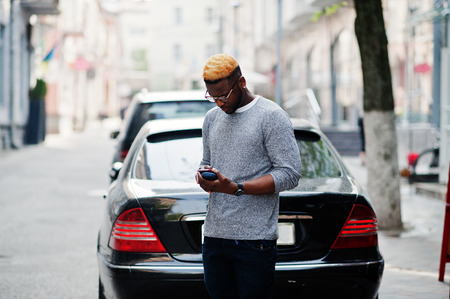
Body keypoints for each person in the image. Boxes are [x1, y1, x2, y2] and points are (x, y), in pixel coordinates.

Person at [196, 53, 302, 299]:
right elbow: (206, 163)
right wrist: (204, 177)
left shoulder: (271, 116)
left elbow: (290, 174)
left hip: (254, 242)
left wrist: (236, 187)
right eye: (213, 97)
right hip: (214, 236)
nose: (219, 103)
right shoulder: (211, 119)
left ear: (242, 82)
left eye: (224, 95)